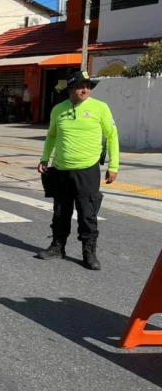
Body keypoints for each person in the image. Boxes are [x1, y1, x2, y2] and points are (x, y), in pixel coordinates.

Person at [36, 70, 119, 271]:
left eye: (88, 86)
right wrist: (45, 158)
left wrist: (113, 165)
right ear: (71, 89)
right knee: (60, 211)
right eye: (81, 86)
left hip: (87, 170)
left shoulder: (100, 108)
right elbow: (52, 135)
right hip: (61, 169)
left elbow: (112, 136)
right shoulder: (58, 109)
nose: (85, 90)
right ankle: (58, 247)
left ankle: (89, 253)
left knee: (87, 213)